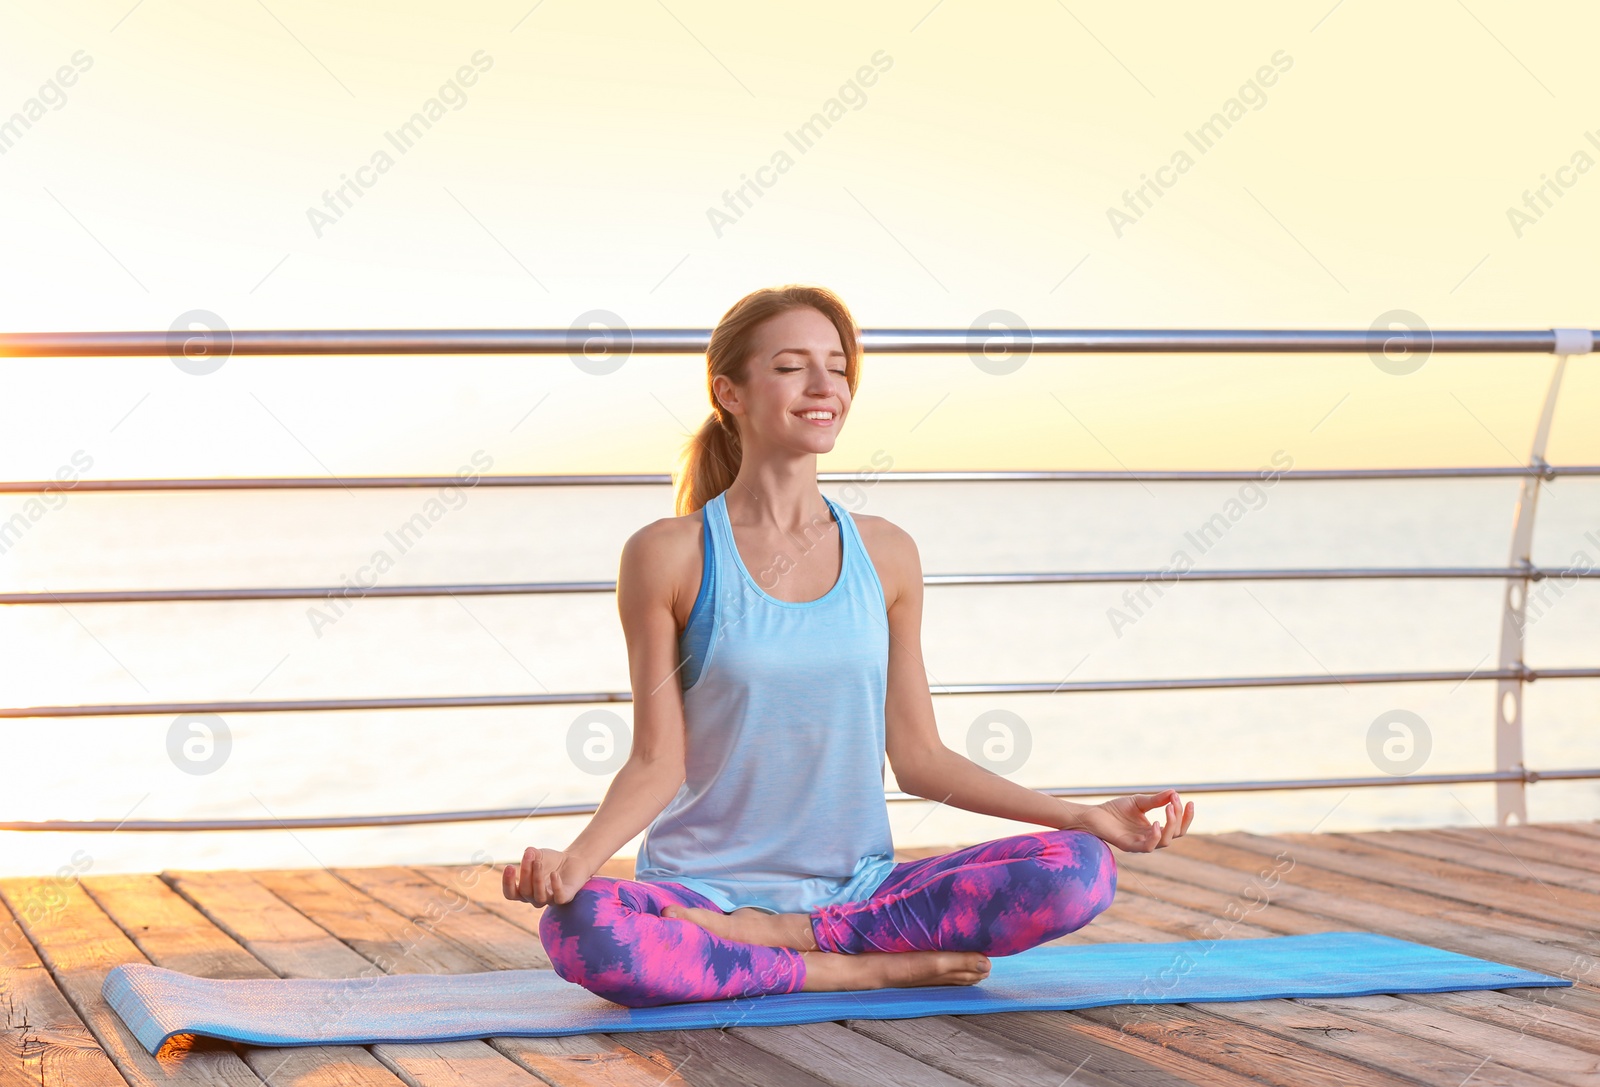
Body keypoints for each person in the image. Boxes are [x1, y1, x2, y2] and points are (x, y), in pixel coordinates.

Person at [504, 284, 1195, 1008]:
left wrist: (1080, 813)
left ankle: (787, 936)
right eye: (792, 366)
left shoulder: (888, 553)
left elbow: (921, 758)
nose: (822, 386)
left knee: (1079, 868)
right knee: (585, 929)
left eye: (836, 367)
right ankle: (860, 967)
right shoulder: (668, 555)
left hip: (859, 889)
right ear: (729, 391)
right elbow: (656, 761)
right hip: (699, 891)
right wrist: (574, 863)